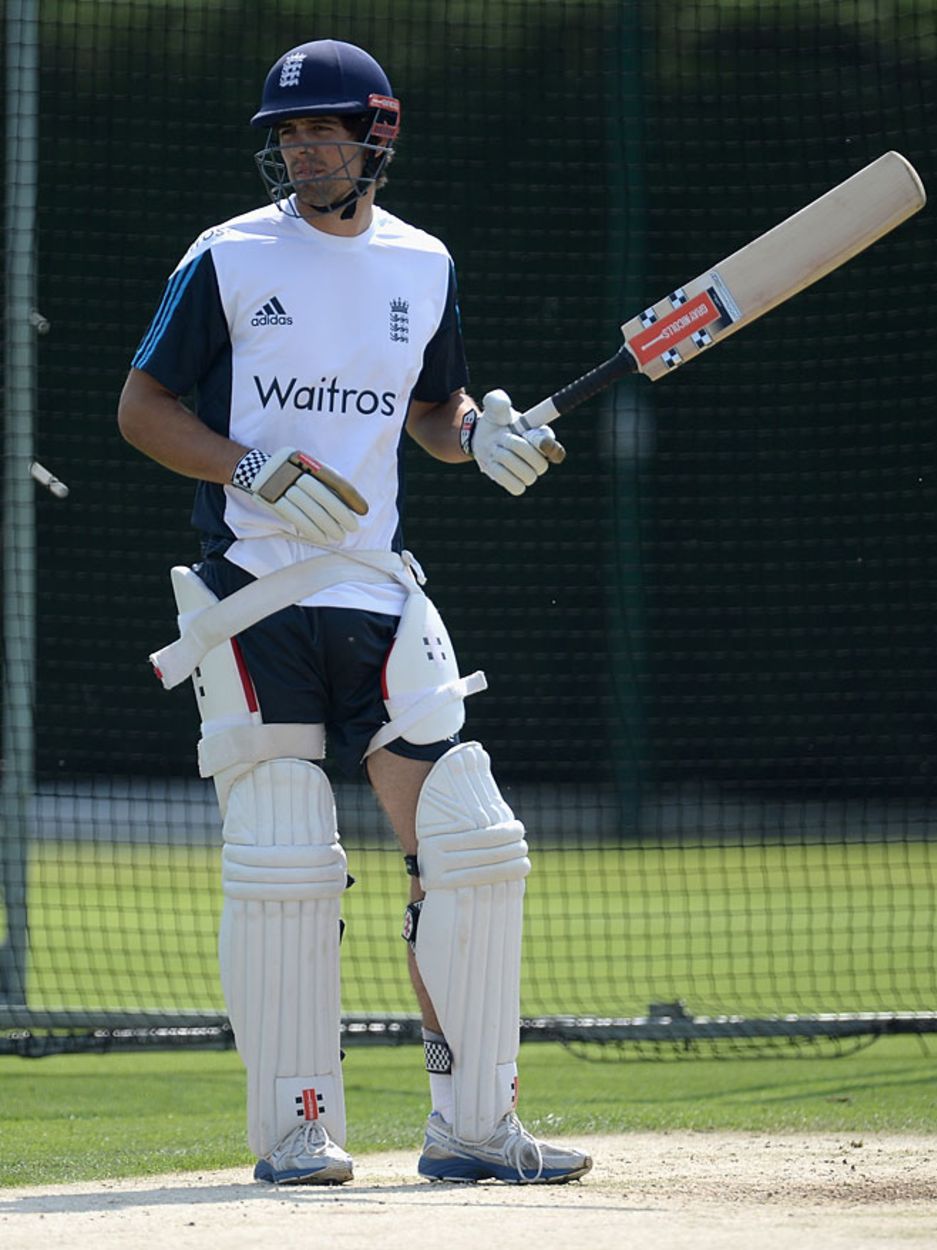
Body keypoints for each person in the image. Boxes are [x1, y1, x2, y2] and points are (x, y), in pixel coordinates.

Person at [118, 38, 592, 1188]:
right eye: (286, 134)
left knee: (473, 844)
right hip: (254, 591)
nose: (299, 150)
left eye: (321, 131)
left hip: (377, 589)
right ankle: (296, 1125)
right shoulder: (228, 255)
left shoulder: (421, 263)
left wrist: (481, 433)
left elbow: (433, 405)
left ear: (377, 137)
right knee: (284, 853)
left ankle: (473, 1125)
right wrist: (249, 471)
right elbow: (141, 405)